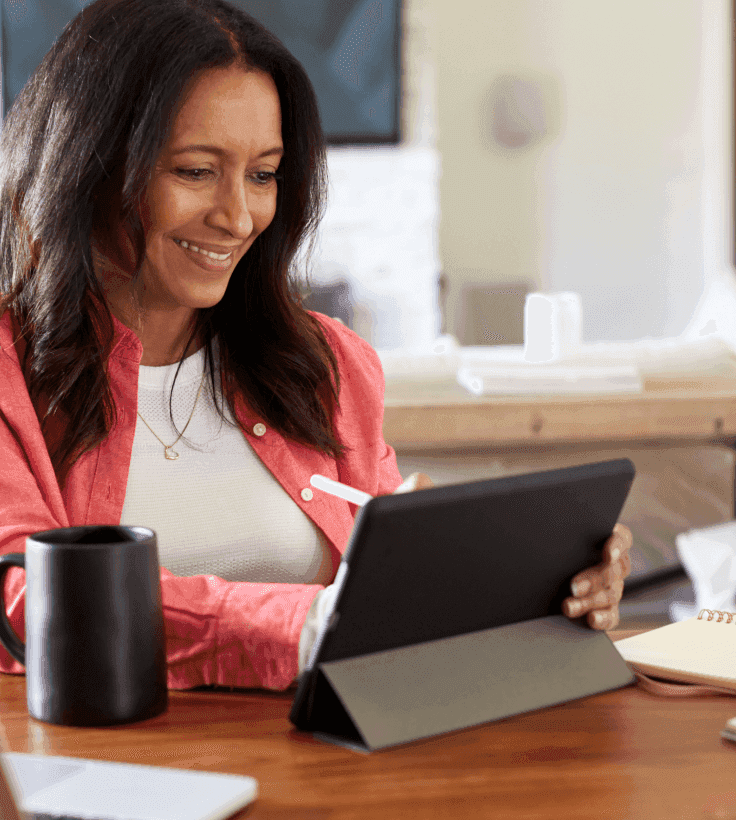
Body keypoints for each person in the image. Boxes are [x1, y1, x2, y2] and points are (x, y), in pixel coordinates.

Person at [0, 0, 632, 692]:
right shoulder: (10, 370)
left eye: (263, 174)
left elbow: (395, 594)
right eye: (194, 170)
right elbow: (26, 604)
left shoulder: (325, 363)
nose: (239, 216)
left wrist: (542, 586)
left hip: (335, 771)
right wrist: (306, 628)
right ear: (85, 165)